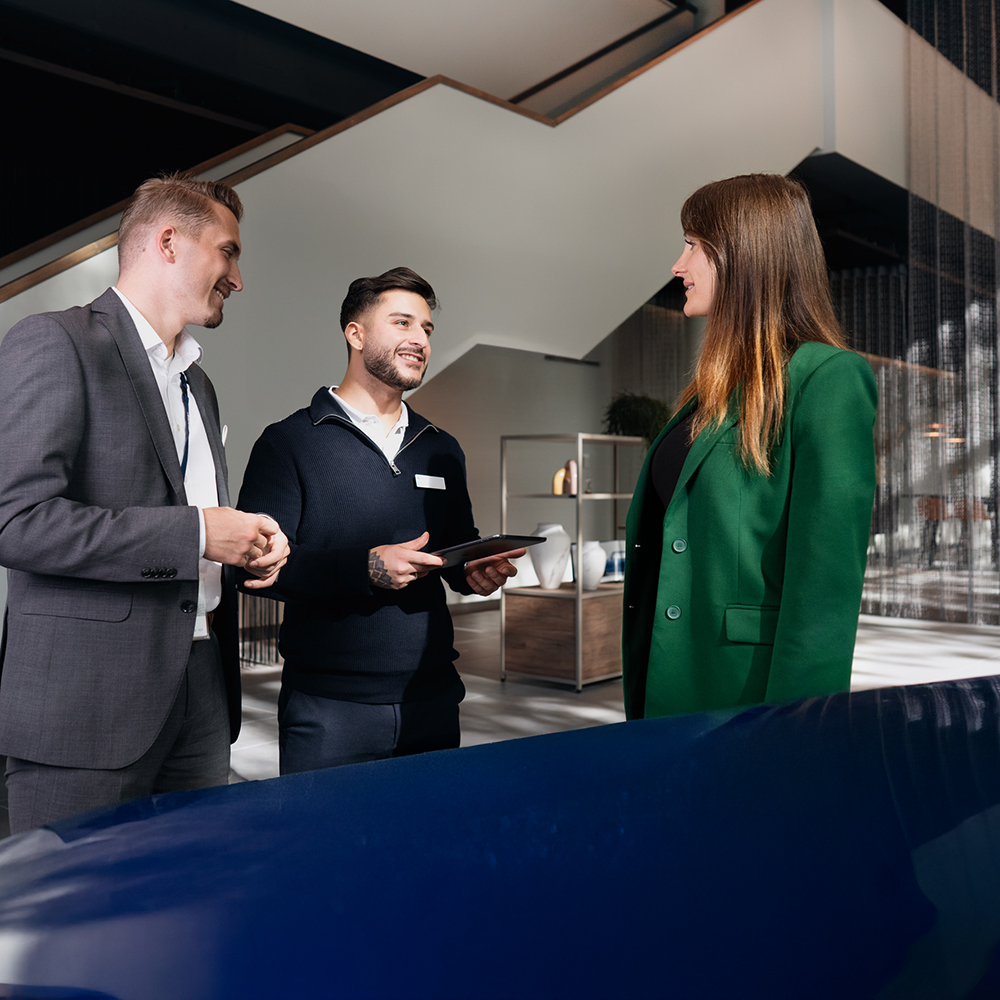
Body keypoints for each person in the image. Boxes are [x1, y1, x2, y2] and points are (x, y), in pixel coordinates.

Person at [0, 174, 289, 834]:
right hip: (85, 712)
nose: (237, 278)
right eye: (228, 251)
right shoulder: (55, 341)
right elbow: (15, 521)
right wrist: (197, 535)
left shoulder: (198, 383)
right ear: (167, 241)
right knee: (71, 929)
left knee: (184, 918)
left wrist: (244, 549)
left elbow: (191, 522)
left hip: (200, 696)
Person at [238, 266, 522, 773]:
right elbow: (252, 569)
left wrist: (473, 571)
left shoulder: (441, 448)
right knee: (327, 854)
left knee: (427, 852)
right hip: (329, 712)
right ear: (356, 333)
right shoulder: (288, 443)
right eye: (403, 323)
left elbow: (454, 548)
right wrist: (366, 569)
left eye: (427, 329)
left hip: (432, 698)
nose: (419, 339)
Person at [622, 174, 877, 720]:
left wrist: (796, 732)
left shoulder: (827, 379)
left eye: (694, 245)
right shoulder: (713, 389)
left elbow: (824, 591)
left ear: (744, 255)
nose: (678, 265)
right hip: (669, 682)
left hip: (745, 697)